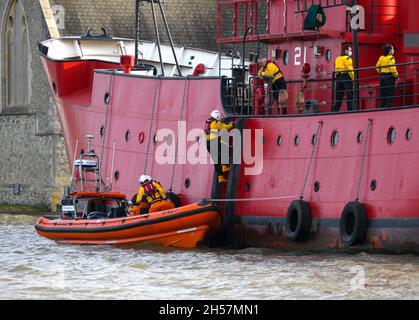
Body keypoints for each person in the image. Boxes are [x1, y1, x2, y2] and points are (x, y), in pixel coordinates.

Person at [205, 110, 234, 184]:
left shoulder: (208, 122)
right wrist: (231, 125)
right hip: (214, 142)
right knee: (225, 149)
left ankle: (221, 178)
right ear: (217, 116)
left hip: (208, 143)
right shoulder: (215, 123)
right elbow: (224, 127)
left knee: (216, 161)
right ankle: (225, 166)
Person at [376, 44, 399, 108]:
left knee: (383, 92)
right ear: (389, 50)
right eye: (392, 49)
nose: (393, 50)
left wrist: (381, 73)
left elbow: (377, 67)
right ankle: (389, 107)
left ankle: (382, 107)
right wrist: (396, 75)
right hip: (389, 76)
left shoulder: (381, 57)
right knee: (390, 91)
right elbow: (392, 68)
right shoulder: (391, 58)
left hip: (382, 77)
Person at [334, 45, 354, 112]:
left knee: (339, 95)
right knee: (349, 94)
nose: (351, 52)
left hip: (338, 78)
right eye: (350, 50)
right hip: (346, 77)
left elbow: (335, 68)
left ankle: (336, 110)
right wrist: (354, 79)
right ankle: (350, 110)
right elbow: (350, 70)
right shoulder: (348, 59)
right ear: (346, 51)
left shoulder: (337, 58)